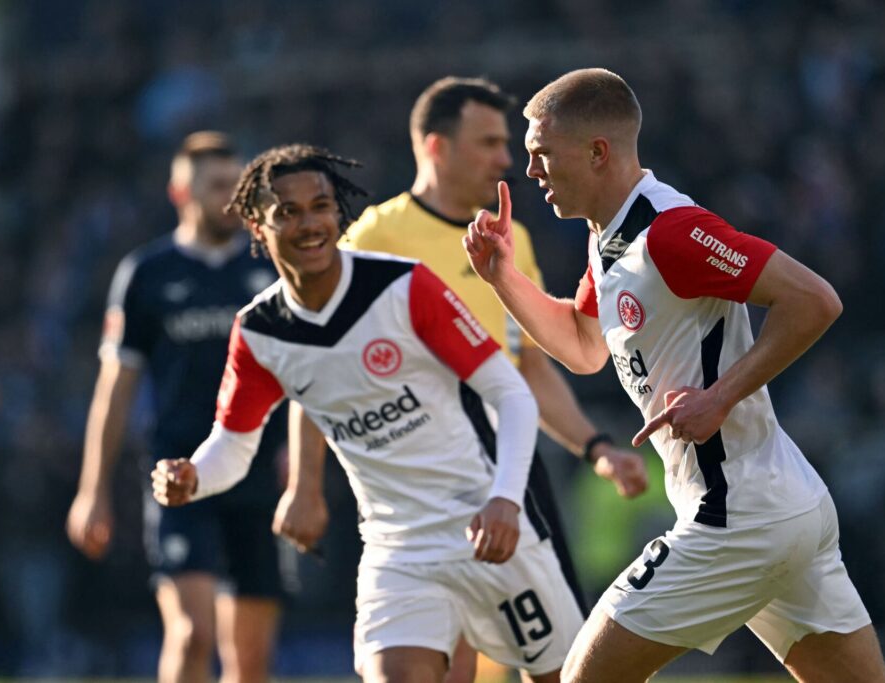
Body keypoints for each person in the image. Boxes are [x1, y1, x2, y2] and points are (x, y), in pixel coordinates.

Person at [464, 68, 885, 682]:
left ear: (596, 152)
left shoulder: (671, 233)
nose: (530, 172)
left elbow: (815, 300)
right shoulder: (609, 235)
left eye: (541, 155)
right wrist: (503, 275)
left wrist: (719, 398)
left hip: (737, 516)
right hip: (780, 504)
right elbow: (585, 346)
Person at [150, 143, 585, 683]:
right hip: (398, 549)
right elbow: (233, 446)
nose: (309, 223)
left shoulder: (404, 286)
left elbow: (511, 393)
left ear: (339, 213)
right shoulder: (260, 332)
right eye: (287, 212)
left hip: (487, 522)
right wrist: (193, 476)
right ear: (257, 228)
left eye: (320, 206)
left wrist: (504, 498)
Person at [277, 77, 648, 682]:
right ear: (436, 147)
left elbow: (527, 364)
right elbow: (321, 364)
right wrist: (306, 484)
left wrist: (593, 445)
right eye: (489, 142)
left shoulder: (511, 239)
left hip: (512, 476)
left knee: (554, 667)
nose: (507, 159)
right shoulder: (374, 240)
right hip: (423, 484)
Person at [66, 131, 286, 683]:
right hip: (178, 472)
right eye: (215, 186)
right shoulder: (147, 274)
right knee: (192, 635)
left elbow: (303, 373)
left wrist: (301, 461)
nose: (229, 199)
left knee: (251, 659)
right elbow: (115, 385)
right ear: (179, 192)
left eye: (237, 186)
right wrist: (92, 489)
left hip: (257, 473)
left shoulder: (271, 269)